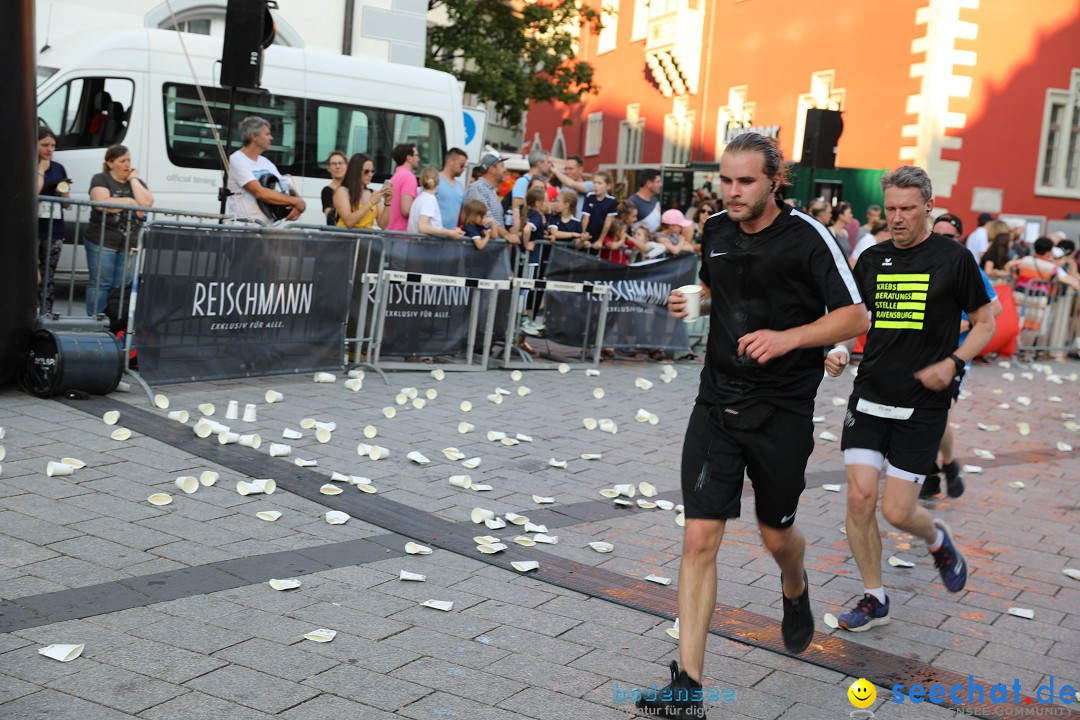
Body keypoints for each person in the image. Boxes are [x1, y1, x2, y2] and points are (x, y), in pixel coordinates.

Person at [633, 133, 868, 719]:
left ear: (774, 181)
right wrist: (701, 303)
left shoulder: (810, 237)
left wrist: (789, 338)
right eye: (726, 181)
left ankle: (794, 582)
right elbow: (725, 291)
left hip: (781, 412)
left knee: (775, 537)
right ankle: (687, 688)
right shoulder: (714, 228)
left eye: (746, 182)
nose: (732, 193)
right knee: (698, 537)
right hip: (716, 404)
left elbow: (855, 313)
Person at [825, 166, 994, 634]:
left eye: (907, 209)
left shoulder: (954, 259)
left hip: (921, 406)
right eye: (891, 209)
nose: (897, 218)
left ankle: (937, 538)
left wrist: (954, 363)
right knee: (860, 500)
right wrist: (838, 351)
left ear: (928, 207)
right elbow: (854, 321)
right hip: (870, 397)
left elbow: (986, 323)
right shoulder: (873, 258)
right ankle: (874, 597)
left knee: (896, 511)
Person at [920, 213, 1003, 500]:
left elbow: (997, 308)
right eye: (938, 235)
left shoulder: (965, 264)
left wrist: (966, 323)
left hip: (956, 356)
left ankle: (939, 468)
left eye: (950, 237)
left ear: (960, 239)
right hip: (918, 353)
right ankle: (942, 466)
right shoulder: (921, 259)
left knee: (939, 418)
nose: (944, 242)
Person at [84, 144, 155, 316]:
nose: (127, 165)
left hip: (129, 243)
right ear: (110, 163)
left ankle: (113, 321)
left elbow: (147, 203)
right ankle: (95, 321)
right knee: (101, 283)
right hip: (103, 239)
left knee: (121, 285)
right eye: (122, 161)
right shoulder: (100, 178)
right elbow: (102, 203)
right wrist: (130, 202)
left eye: (129, 160)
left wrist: (133, 180)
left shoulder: (137, 183)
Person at [226, 116, 306, 225]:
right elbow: (260, 192)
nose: (271, 138)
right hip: (244, 228)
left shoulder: (266, 162)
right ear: (254, 136)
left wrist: (298, 201)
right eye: (267, 134)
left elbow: (285, 185)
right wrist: (296, 202)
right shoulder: (236, 159)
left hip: (265, 227)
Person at [37, 127, 70, 315]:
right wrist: (41, 170)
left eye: (53, 146)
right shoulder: (29, 164)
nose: (49, 149)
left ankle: (46, 313)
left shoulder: (58, 168)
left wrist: (63, 190)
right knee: (33, 275)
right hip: (32, 227)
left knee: (49, 275)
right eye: (44, 145)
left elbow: (66, 203)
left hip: (53, 227)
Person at [465, 151, 520, 245]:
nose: (505, 169)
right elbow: (485, 218)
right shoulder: (477, 187)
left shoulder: (490, 190)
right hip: (483, 248)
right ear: (492, 169)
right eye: (502, 166)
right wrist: (507, 235)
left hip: (490, 247)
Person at [334, 153, 392, 230]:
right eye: (366, 171)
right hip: (346, 239)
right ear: (355, 171)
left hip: (366, 240)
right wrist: (370, 203)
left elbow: (383, 225)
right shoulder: (342, 191)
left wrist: (387, 203)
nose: (370, 174)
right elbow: (349, 222)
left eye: (372, 171)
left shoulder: (373, 193)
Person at [407, 166, 465, 239]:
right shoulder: (430, 199)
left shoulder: (419, 198)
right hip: (424, 247)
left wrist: (450, 231)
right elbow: (422, 227)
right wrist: (449, 232)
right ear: (438, 182)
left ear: (420, 182)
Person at [511, 148, 552, 233]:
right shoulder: (523, 182)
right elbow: (517, 208)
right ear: (539, 163)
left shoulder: (541, 182)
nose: (550, 166)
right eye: (548, 162)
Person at [387, 143, 420, 232]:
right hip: (402, 235)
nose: (419, 159)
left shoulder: (395, 176)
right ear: (409, 158)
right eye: (416, 155)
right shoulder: (408, 177)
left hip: (392, 232)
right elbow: (406, 210)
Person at [580, 171, 617, 251]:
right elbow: (585, 217)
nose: (596, 185)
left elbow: (608, 222)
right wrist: (584, 236)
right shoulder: (589, 196)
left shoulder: (612, 200)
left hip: (599, 234)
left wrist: (600, 240)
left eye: (599, 183)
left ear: (608, 186)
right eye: (594, 183)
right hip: (587, 233)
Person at [436, 147, 468, 229]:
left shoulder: (460, 187)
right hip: (432, 235)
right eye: (461, 165)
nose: (463, 169)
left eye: (464, 166)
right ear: (450, 161)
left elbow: (464, 212)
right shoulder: (434, 180)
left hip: (451, 236)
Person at [321, 150, 347, 225]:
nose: (337, 167)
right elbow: (330, 217)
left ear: (347, 166)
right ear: (328, 168)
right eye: (334, 164)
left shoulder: (353, 189)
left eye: (340, 163)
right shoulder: (327, 191)